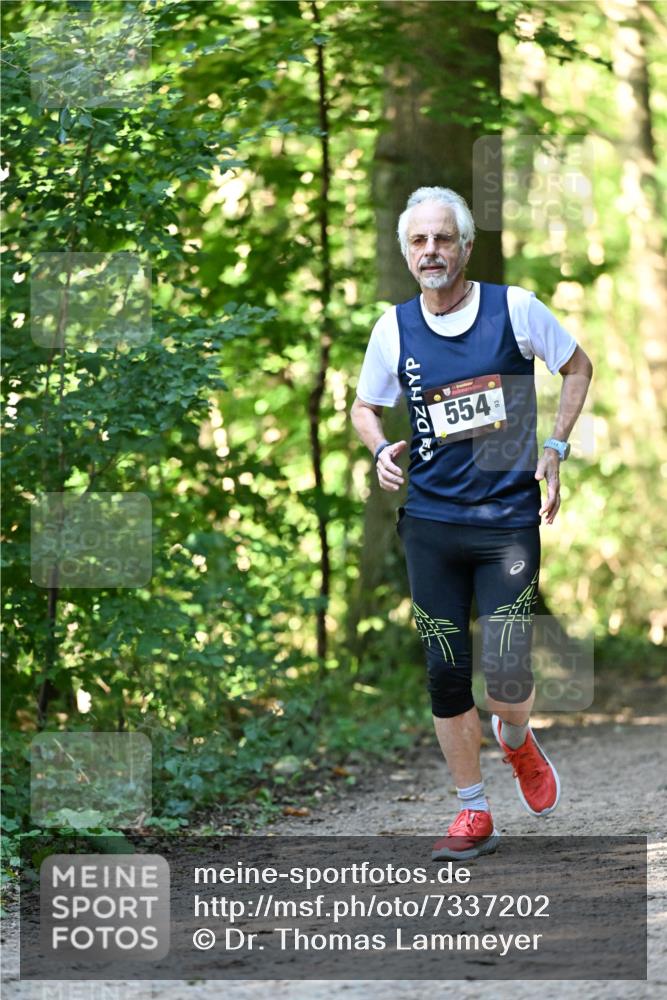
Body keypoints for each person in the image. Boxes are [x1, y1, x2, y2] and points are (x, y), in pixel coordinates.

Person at [350, 186, 593, 861]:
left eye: (443, 239)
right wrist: (378, 450)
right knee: (444, 668)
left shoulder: (513, 309)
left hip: (507, 518)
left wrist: (555, 447)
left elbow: (577, 365)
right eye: (419, 242)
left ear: (463, 246)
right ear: (407, 252)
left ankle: (515, 741)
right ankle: (472, 811)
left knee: (509, 676)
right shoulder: (393, 328)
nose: (431, 251)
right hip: (429, 521)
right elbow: (365, 405)